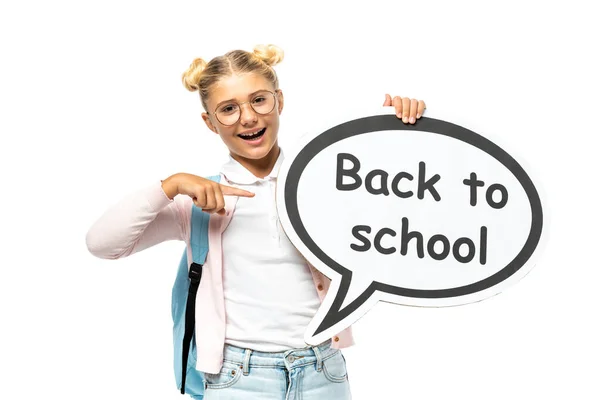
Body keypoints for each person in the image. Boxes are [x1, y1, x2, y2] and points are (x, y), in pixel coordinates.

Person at [86, 44, 426, 400]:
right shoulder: (198, 203)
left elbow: (402, 210)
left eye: (259, 100)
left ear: (279, 100)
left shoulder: (327, 184)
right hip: (239, 378)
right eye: (228, 109)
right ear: (210, 122)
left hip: (323, 369)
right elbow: (102, 244)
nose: (247, 117)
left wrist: (399, 132)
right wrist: (169, 186)